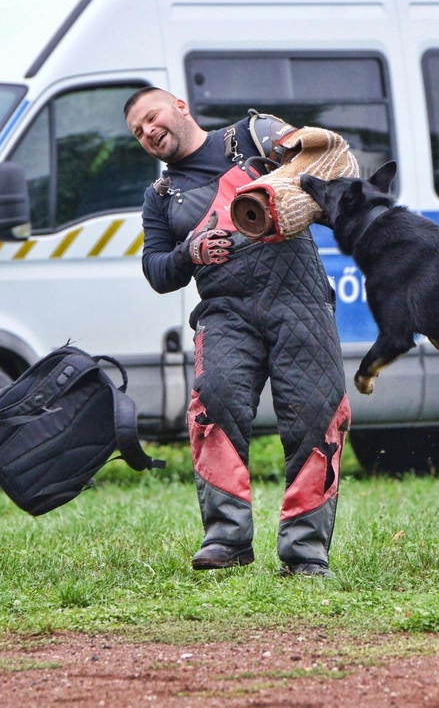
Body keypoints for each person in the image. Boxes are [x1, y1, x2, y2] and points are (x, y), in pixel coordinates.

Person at [125, 87, 349, 578]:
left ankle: (306, 553)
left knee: (316, 416)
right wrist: (190, 252)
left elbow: (323, 160)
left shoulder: (252, 136)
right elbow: (157, 271)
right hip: (226, 312)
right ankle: (227, 539)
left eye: (151, 117)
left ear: (180, 106)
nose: (148, 132)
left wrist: (295, 154)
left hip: (300, 302)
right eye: (138, 132)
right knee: (214, 403)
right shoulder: (160, 196)